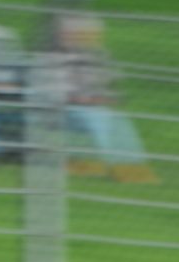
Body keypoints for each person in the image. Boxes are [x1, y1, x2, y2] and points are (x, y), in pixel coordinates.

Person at [54, 14, 156, 184]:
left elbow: (112, 86)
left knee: (119, 120)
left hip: (92, 107)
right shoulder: (56, 57)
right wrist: (83, 99)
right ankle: (123, 169)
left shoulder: (100, 55)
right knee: (98, 119)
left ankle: (133, 166)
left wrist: (109, 98)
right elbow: (55, 90)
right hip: (62, 110)